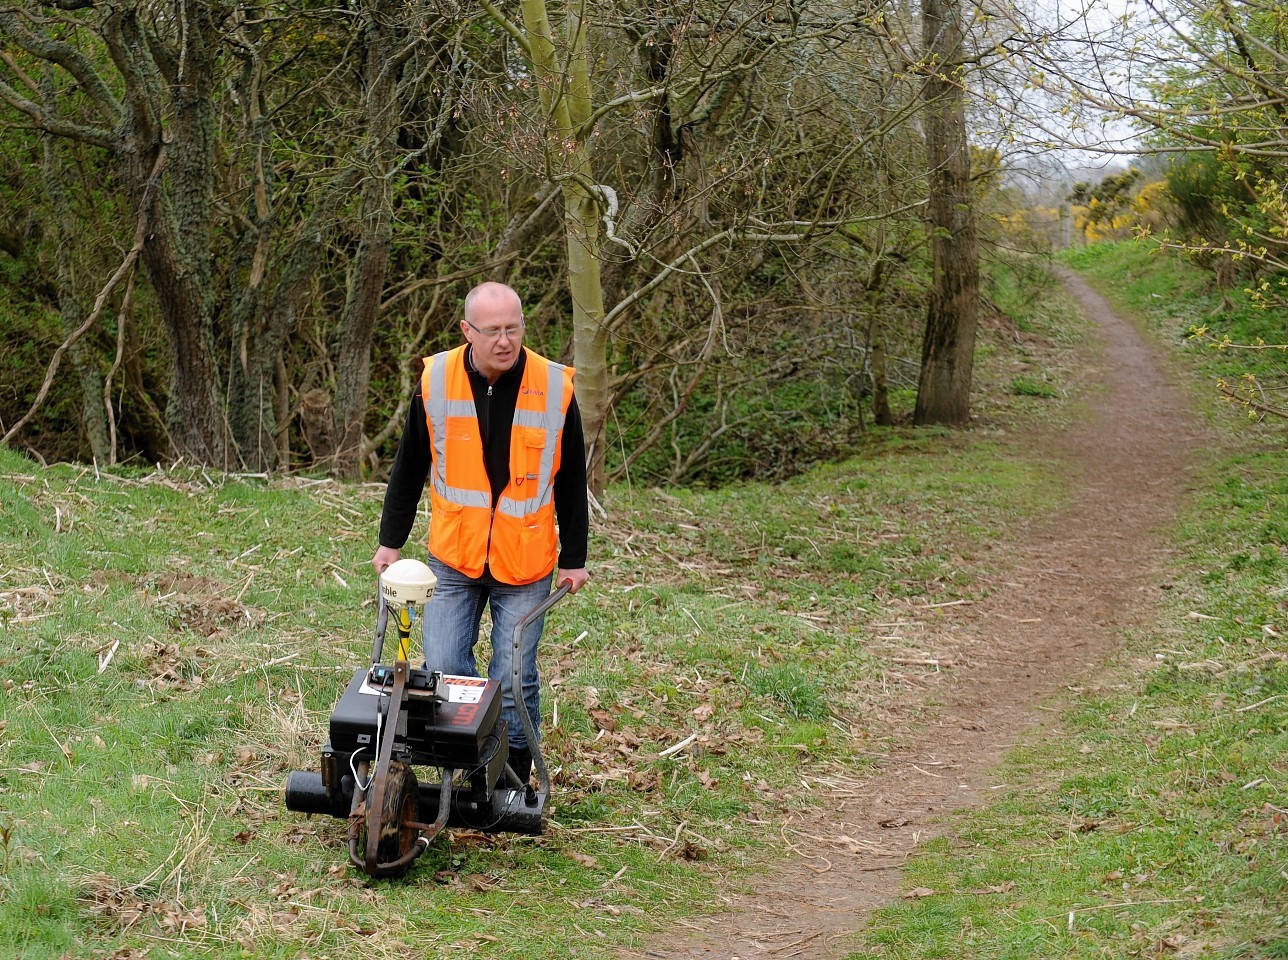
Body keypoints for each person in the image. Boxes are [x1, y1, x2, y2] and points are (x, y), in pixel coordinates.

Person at [372, 281, 589, 785]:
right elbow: (409, 466)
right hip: (453, 555)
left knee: (513, 678)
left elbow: (570, 478)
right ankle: (467, 757)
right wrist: (391, 540)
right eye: (493, 331)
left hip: (526, 559)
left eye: (514, 328)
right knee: (446, 666)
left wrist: (575, 558)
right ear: (467, 331)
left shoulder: (555, 387)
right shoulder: (436, 381)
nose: (505, 341)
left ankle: (509, 773)